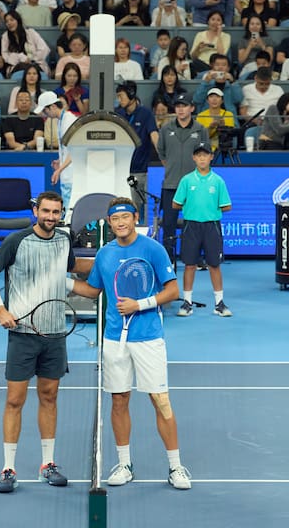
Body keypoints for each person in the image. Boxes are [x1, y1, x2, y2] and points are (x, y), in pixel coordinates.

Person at [70, 197, 192, 490]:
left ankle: (176, 467)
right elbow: (92, 290)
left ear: (134, 218)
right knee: (119, 400)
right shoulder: (105, 254)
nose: (121, 222)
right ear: (109, 223)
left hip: (148, 338)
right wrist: (60, 282)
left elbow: (173, 291)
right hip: (114, 339)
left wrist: (141, 304)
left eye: (126, 217)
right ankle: (124, 463)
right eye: (115, 218)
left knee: (160, 401)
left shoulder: (153, 249)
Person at [0, 191, 84, 493]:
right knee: (15, 400)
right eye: (46, 211)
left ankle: (47, 464)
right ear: (36, 211)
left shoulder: (65, 241)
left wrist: (108, 266)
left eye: (56, 212)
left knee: (49, 397)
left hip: (54, 334)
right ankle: (8, 468)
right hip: (22, 335)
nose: (51, 217)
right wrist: (0, 308)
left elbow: (67, 273)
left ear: (61, 212)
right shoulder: (17, 241)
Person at [173, 142, 233, 317]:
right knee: (190, 265)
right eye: (198, 155)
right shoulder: (186, 180)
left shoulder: (218, 181)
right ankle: (187, 303)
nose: (202, 158)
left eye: (205, 155)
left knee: (214, 265)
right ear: (194, 158)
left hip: (212, 226)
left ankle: (219, 303)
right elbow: (176, 203)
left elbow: (227, 205)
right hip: (191, 226)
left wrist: (210, 208)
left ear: (211, 157)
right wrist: (191, 205)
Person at [158, 92, 209, 261]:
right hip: (171, 184)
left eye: (184, 106)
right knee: (169, 224)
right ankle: (168, 258)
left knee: (196, 223)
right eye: (178, 106)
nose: (180, 110)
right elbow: (162, 153)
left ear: (192, 108)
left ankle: (195, 257)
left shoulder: (201, 129)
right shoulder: (166, 129)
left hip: (195, 185)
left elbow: (206, 155)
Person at [115, 81, 158, 223]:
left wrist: (163, 157)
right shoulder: (117, 113)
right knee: (121, 207)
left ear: (131, 96)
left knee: (138, 207)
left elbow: (154, 136)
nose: (119, 100)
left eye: (121, 96)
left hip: (139, 169)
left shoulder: (145, 114)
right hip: (120, 170)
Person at [35, 91, 77, 213]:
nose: (44, 114)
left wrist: (59, 169)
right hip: (67, 174)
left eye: (45, 111)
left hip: (72, 176)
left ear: (52, 107)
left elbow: (75, 151)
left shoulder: (69, 120)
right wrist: (60, 161)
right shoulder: (60, 120)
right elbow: (67, 149)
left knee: (70, 212)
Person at [1, 10, 50, 78]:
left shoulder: (31, 33)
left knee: (32, 69)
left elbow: (44, 49)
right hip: (17, 67)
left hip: (35, 64)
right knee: (22, 68)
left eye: (11, 20)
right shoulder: (5, 36)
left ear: (18, 20)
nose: (9, 23)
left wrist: (32, 60)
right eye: (7, 21)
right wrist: (20, 57)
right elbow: (5, 56)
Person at [190, 10, 230, 76]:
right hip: (200, 64)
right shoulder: (200, 35)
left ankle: (209, 73)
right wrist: (198, 48)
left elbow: (222, 55)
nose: (215, 22)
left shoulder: (226, 36)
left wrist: (219, 35)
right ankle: (209, 73)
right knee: (192, 63)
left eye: (218, 20)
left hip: (217, 66)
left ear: (222, 23)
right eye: (213, 19)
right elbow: (193, 56)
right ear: (208, 21)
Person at [196, 87, 236, 152]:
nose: (214, 99)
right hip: (207, 146)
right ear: (207, 100)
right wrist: (211, 127)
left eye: (217, 97)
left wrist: (223, 126)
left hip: (224, 145)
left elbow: (230, 134)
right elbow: (201, 137)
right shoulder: (201, 116)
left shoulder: (228, 114)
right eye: (211, 97)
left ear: (222, 101)